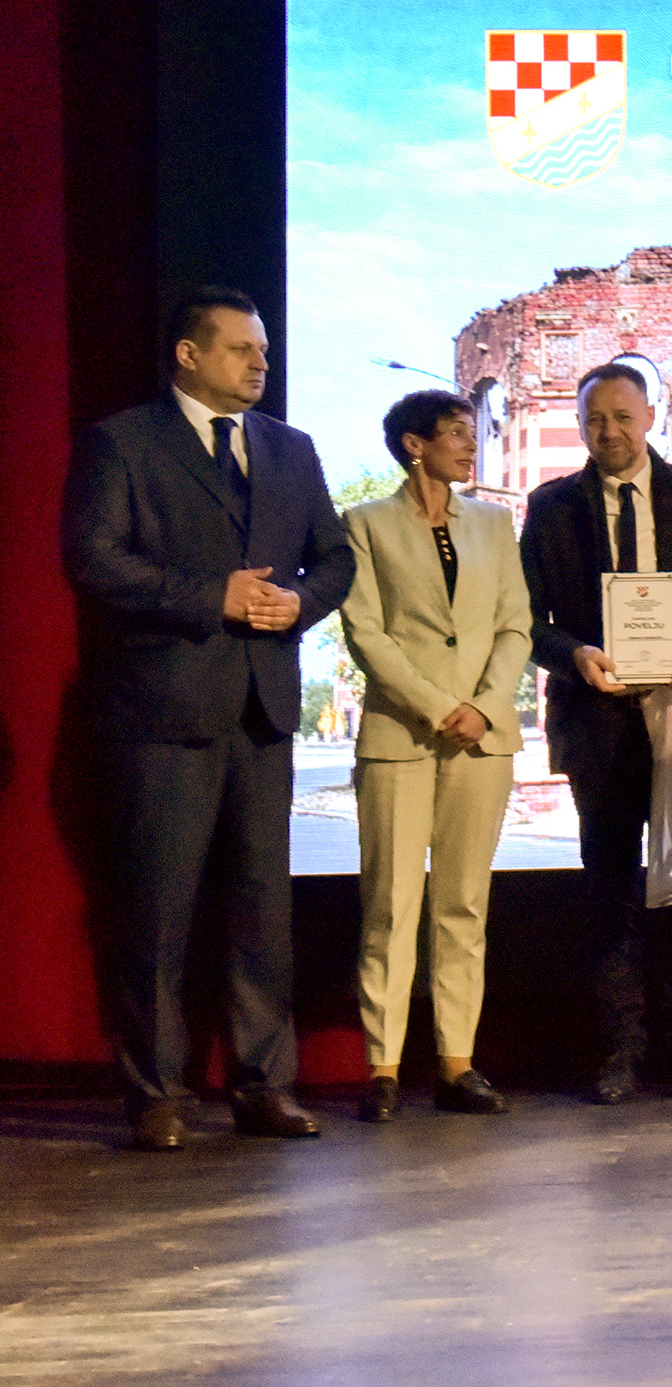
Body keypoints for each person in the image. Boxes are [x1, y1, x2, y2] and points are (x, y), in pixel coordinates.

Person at [62, 287, 356, 1150]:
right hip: (160, 714)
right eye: (240, 349)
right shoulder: (122, 442)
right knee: (158, 911)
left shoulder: (291, 449)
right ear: (188, 355)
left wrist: (299, 603)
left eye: (262, 349)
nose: (261, 362)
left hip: (261, 712)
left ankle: (264, 1085)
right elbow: (90, 558)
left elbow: (335, 559)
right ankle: (157, 1092)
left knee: (263, 910)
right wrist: (208, 597)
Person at [520, 361, 672, 1104]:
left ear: (651, 417)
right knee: (609, 892)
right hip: (597, 719)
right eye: (595, 420)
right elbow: (526, 618)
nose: (609, 431)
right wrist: (575, 655)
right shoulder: (551, 506)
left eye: (623, 416)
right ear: (581, 426)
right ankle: (618, 1054)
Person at [338, 391, 532, 1121]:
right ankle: (383, 1067)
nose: (469, 445)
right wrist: (434, 705)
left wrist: (483, 706)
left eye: (470, 433)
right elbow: (366, 631)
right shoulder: (365, 524)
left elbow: (515, 624)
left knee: (463, 904)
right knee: (389, 904)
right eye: (454, 433)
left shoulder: (494, 523)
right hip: (401, 737)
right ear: (413, 445)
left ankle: (458, 1064)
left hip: (482, 739)